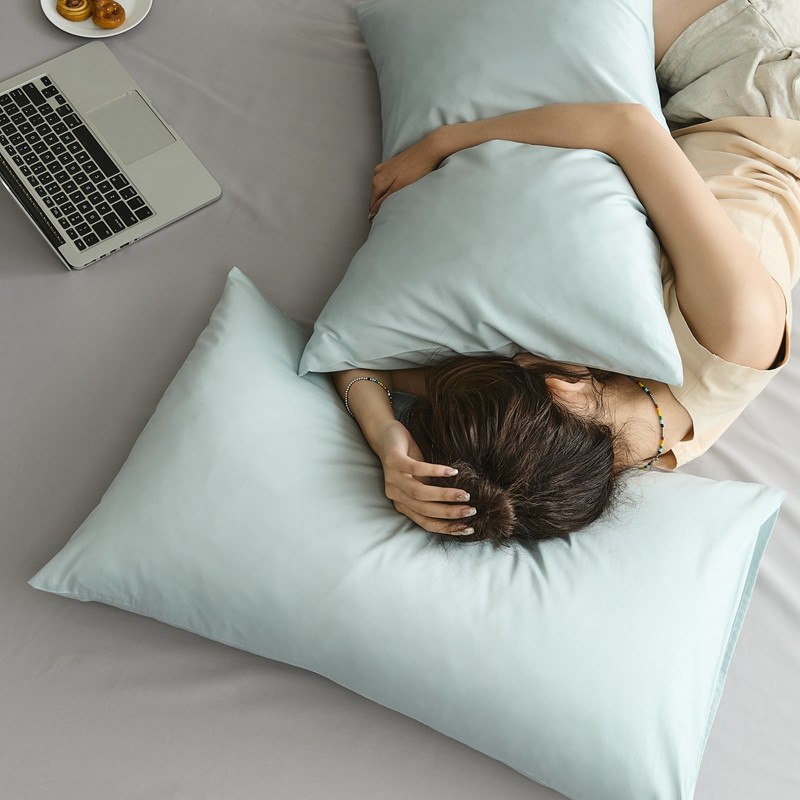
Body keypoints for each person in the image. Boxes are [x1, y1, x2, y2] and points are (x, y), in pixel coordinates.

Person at [332, 0, 800, 545]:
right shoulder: (739, 327)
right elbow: (628, 128)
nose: (513, 350)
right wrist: (443, 142)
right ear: (565, 386)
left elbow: (365, 363)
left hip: (679, 118)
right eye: (519, 359)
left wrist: (387, 437)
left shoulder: (568, 442)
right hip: (759, 85)